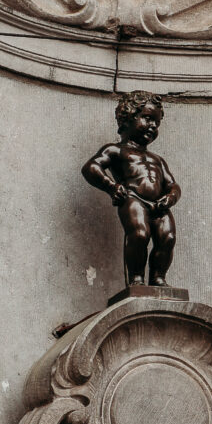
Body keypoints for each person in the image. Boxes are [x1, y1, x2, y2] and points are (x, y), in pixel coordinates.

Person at [81, 91, 181, 286]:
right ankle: (136, 279)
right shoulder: (116, 150)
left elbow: (173, 184)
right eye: (148, 118)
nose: (153, 126)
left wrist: (170, 197)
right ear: (127, 118)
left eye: (157, 123)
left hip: (160, 205)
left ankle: (158, 278)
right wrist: (111, 186)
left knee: (167, 238)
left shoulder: (157, 160)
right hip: (133, 198)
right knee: (140, 234)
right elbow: (91, 167)